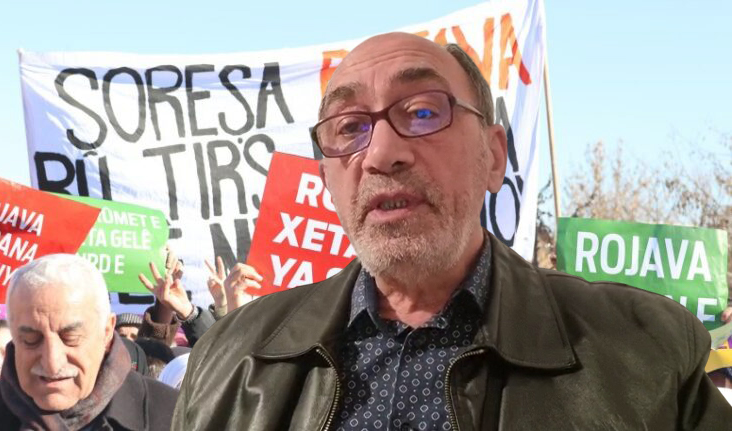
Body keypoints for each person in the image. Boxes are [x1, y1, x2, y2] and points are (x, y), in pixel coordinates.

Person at [172, 32, 732, 430]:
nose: (381, 153)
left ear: (494, 156)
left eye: (421, 112)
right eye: (350, 127)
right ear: (327, 180)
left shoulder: (647, 353)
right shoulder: (229, 358)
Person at [0, 254, 177, 430]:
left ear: (107, 331)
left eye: (71, 339)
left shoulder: (176, 418)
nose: (52, 362)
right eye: (31, 340)